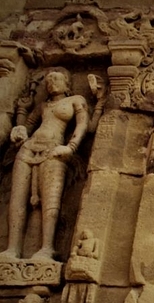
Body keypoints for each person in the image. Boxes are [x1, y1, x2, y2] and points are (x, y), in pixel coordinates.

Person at [0, 69, 89, 261]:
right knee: (17, 199)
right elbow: (29, 124)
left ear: (67, 83)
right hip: (28, 148)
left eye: (56, 79)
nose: (51, 83)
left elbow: (82, 125)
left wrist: (70, 147)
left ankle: (47, 248)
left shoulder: (76, 100)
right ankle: (12, 248)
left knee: (50, 201)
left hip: (54, 150)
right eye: (48, 80)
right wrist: (20, 128)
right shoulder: (43, 106)